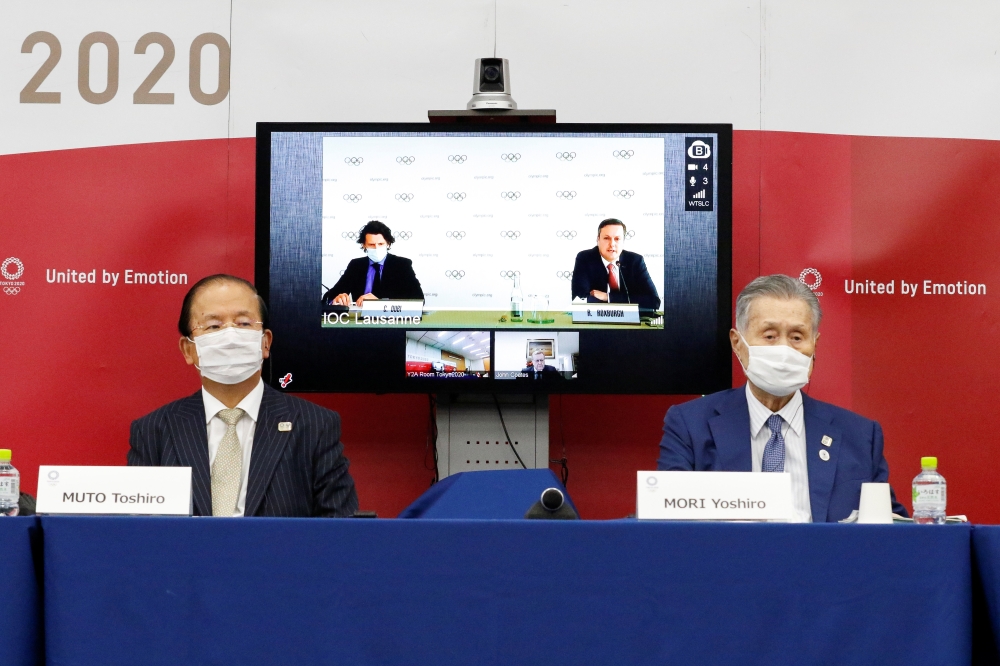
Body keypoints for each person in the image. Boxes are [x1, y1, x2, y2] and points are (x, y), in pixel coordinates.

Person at [657, 274, 907, 523]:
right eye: (769, 336)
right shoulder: (690, 425)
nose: (784, 350)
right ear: (737, 343)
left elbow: (893, 531)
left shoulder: (861, 436)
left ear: (814, 345)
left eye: (797, 337)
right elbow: (665, 525)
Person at [128, 274, 359, 518]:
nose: (230, 336)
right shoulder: (154, 431)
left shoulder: (314, 426)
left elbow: (339, 530)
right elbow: (139, 533)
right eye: (214, 326)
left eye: (244, 323)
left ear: (265, 342)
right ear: (189, 350)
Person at [322, 220, 423, 306]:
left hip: (392, 323)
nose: (376, 248)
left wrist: (381, 303)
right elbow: (328, 298)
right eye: (371, 244)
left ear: (388, 243)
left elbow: (419, 299)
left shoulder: (402, 265)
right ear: (364, 245)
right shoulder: (356, 265)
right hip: (360, 323)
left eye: (380, 244)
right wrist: (336, 299)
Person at [571, 218, 661, 312]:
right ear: (598, 240)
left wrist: (608, 297)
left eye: (617, 239)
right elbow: (580, 298)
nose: (612, 244)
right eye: (606, 238)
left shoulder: (635, 261)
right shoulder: (585, 259)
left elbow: (653, 301)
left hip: (630, 321)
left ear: (623, 241)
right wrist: (630, 300)